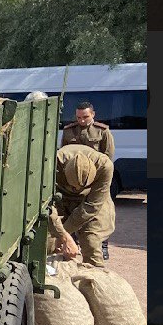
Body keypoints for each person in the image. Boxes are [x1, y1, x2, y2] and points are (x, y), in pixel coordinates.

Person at [60, 99, 115, 258]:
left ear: (93, 115)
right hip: (74, 179)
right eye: (78, 117)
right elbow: (65, 151)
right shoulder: (69, 130)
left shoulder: (102, 131)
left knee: (101, 211)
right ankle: (73, 241)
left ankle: (102, 244)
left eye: (85, 117)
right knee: (73, 209)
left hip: (96, 178)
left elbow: (108, 156)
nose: (81, 120)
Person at [48, 143, 115, 267]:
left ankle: (95, 276)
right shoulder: (52, 164)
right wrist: (62, 236)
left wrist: (64, 236)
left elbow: (92, 205)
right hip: (60, 197)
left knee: (91, 240)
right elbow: (47, 207)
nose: (76, 189)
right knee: (48, 242)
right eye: (74, 186)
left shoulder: (105, 167)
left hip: (91, 198)